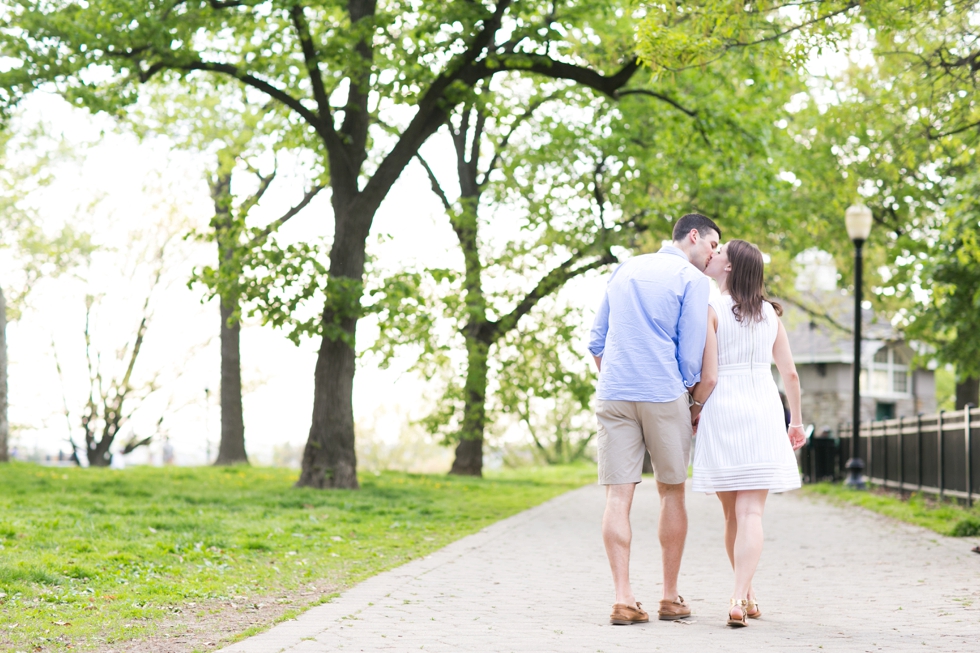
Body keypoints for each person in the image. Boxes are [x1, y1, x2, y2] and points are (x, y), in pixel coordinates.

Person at [588, 213, 721, 625]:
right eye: (713, 245)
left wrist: (617, 375)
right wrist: (688, 399)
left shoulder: (625, 268)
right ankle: (668, 598)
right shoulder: (694, 281)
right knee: (671, 492)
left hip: (614, 391)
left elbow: (596, 340)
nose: (713, 255)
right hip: (664, 393)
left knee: (617, 496)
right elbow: (689, 350)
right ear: (693, 236)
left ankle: (623, 599)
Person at [689, 239, 806, 628]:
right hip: (761, 410)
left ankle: (742, 594)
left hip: (722, 410)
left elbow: (708, 373)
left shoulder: (712, 310)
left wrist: (695, 409)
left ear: (730, 268)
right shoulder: (772, 316)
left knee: (730, 516)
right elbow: (789, 374)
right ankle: (743, 595)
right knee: (751, 511)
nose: (714, 253)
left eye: (720, 253)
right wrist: (796, 421)